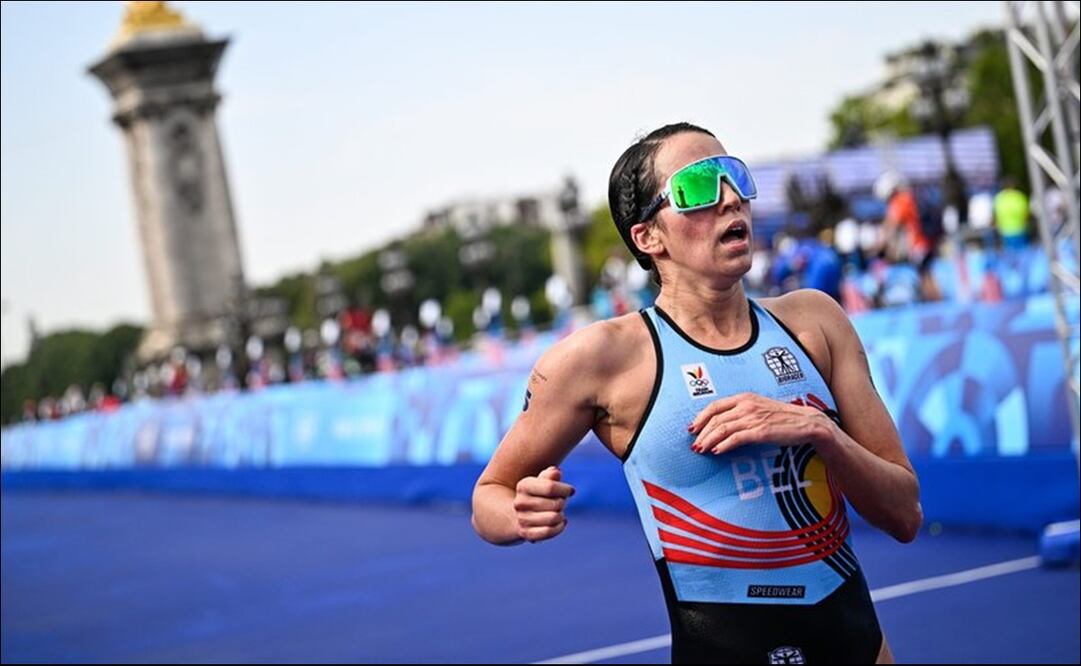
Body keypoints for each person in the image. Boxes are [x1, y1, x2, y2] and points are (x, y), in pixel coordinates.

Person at [471, 122, 922, 664]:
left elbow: (906, 515)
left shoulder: (815, 323)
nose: (730, 198)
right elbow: (488, 497)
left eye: (734, 176)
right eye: (697, 188)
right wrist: (519, 515)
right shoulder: (600, 359)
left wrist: (819, 430)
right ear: (648, 237)